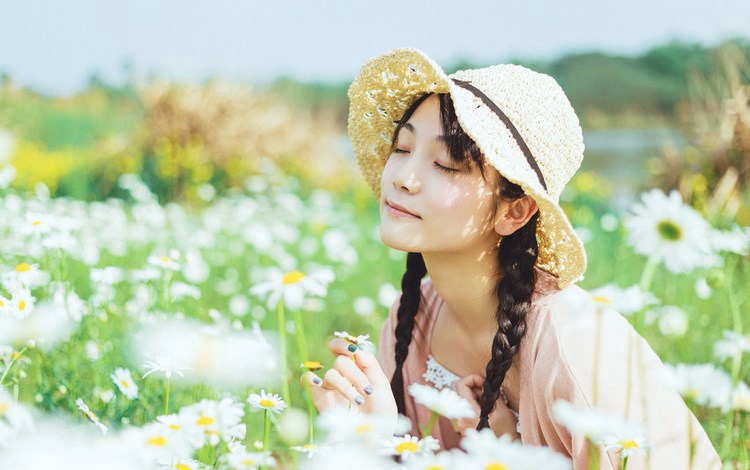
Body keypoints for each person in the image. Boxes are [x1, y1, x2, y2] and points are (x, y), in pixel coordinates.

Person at [301, 48, 722, 469]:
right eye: (403, 146)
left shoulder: (578, 341)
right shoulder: (410, 321)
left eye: (446, 164)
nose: (404, 178)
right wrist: (366, 443)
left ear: (514, 211)